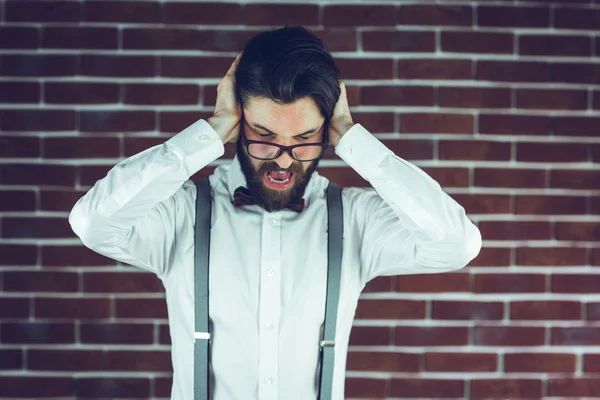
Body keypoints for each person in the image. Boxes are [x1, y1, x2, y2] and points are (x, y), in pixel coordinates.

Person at [69, 26, 482, 400]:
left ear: (326, 130)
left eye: (304, 139)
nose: (283, 162)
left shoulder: (354, 221)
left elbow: (456, 243)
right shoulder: (182, 214)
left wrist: (354, 139)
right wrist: (210, 130)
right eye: (264, 138)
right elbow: (93, 222)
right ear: (239, 124)